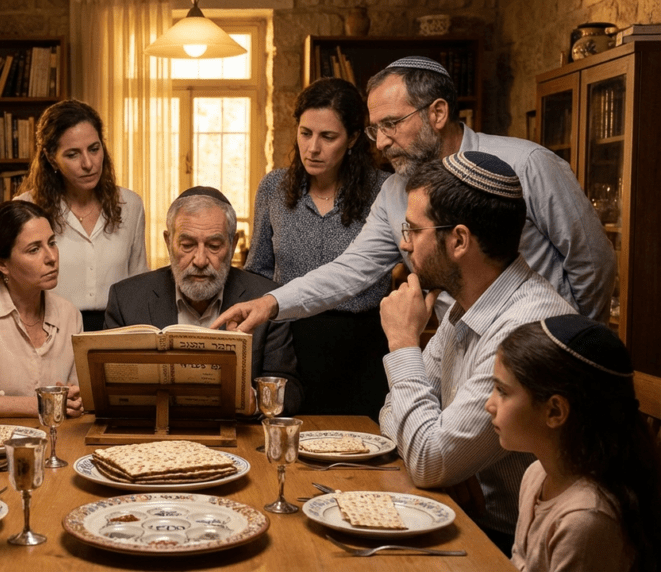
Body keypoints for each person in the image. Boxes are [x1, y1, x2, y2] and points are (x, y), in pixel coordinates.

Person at [213, 56, 616, 334]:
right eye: (375, 129)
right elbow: (349, 270)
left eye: (391, 124)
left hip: (540, 347)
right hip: (458, 350)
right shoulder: (393, 192)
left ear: (437, 113)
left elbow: (592, 262)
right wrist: (271, 303)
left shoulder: (527, 163)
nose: (382, 142)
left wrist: (571, 339)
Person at [377, 151, 576, 552]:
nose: (404, 243)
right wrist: (446, 464)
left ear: (460, 240)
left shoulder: (523, 327)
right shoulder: (469, 304)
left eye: (414, 230)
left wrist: (402, 343)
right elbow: (391, 417)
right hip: (458, 512)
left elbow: (428, 458)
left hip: (505, 544)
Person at [245, 78, 391, 419]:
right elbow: (258, 271)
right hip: (289, 346)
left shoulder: (384, 191)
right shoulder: (274, 188)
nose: (312, 148)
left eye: (328, 137)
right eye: (305, 132)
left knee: (361, 449)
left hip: (363, 344)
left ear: (353, 138)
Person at [105, 186, 303, 415]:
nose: (200, 260)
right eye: (187, 245)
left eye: (214, 246)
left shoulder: (265, 299)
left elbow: (290, 389)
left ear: (233, 244)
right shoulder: (127, 299)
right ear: (168, 242)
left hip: (238, 437)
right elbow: (108, 388)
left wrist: (257, 401)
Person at [487, 315, 661, 572]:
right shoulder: (535, 476)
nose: (489, 404)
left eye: (502, 391)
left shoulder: (586, 519)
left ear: (555, 411)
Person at [16, 99, 149, 332]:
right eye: (73, 154)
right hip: (50, 331)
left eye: (94, 149)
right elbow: (18, 288)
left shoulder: (130, 205)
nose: (88, 163)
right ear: (50, 157)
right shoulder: (26, 208)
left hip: (117, 333)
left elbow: (139, 284)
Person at [0, 200, 84, 418]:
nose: (52, 258)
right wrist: (41, 405)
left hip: (56, 440)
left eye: (52, 243)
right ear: (2, 264)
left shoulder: (70, 314)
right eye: (34, 249)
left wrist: (77, 400)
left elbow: (73, 397)